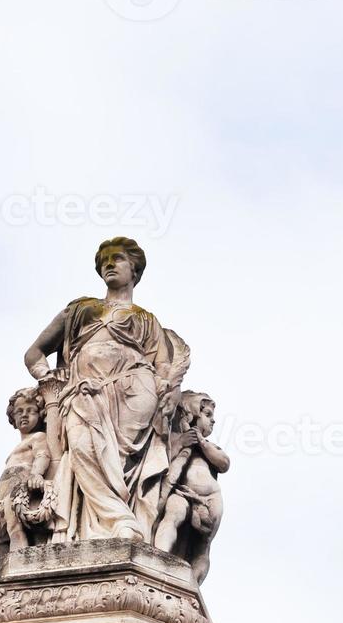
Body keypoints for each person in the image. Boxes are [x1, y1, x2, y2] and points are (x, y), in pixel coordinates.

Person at [23, 238, 189, 543]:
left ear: (134, 270)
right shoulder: (80, 309)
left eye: (118, 259)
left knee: (124, 462)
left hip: (136, 391)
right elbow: (34, 353)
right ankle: (121, 521)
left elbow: (164, 368)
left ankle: (127, 519)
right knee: (85, 449)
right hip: (83, 393)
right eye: (105, 261)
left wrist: (173, 391)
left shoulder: (146, 320)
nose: (110, 264)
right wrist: (48, 378)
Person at [154, 392, 228, 583]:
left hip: (211, 498)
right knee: (173, 515)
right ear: (194, 413)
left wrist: (202, 443)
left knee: (203, 546)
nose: (213, 421)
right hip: (181, 492)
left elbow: (224, 463)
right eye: (208, 415)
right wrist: (181, 443)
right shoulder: (175, 439)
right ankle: (157, 561)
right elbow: (161, 459)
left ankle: (192, 585)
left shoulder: (210, 447)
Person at [0, 387, 53, 557]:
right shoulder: (17, 447)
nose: (24, 415)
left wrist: (37, 474)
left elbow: (42, 455)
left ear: (40, 414)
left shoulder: (38, 437)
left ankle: (19, 553)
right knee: (2, 532)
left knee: (15, 527)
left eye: (31, 411)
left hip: (19, 486)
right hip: (5, 492)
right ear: (12, 418)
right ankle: (7, 556)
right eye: (19, 411)